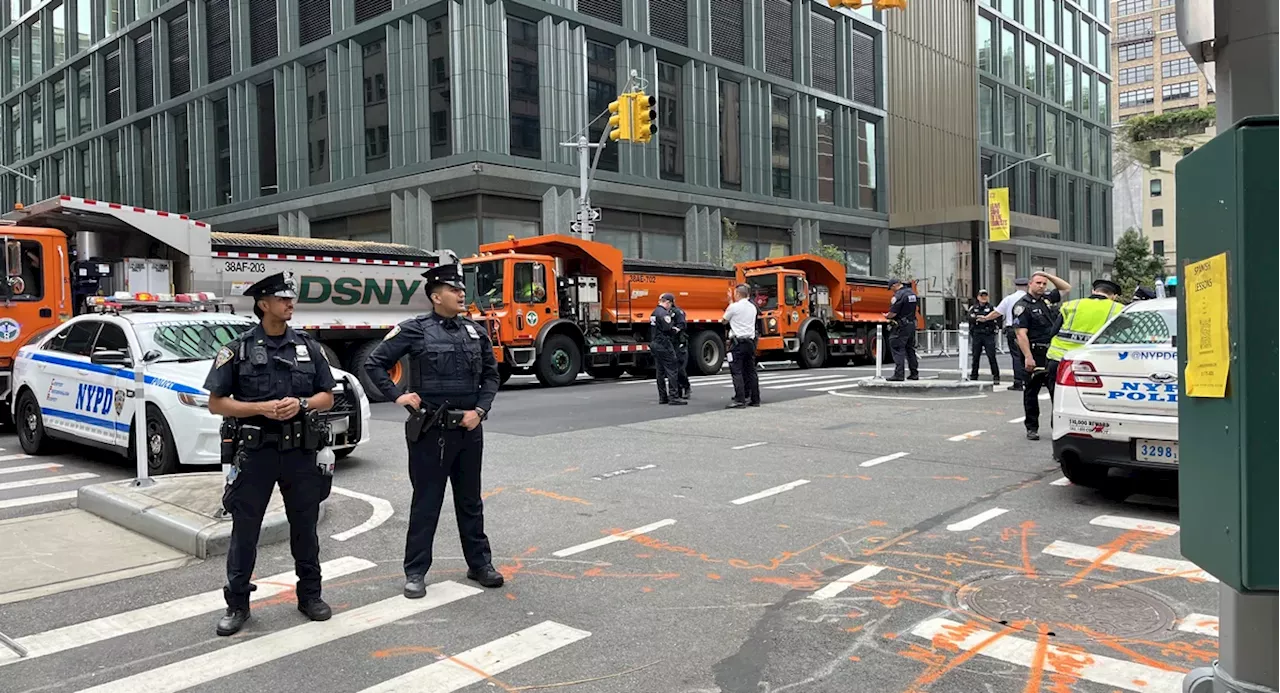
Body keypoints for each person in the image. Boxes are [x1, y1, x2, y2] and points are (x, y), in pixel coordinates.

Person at [363, 254, 505, 599]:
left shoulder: (475, 331)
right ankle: (415, 571)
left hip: (469, 429)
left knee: (470, 500)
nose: (460, 294)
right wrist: (397, 395)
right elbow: (375, 362)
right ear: (435, 295)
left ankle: (479, 564)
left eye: (461, 288)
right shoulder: (414, 329)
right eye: (452, 289)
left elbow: (491, 375)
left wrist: (480, 411)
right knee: (426, 501)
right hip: (431, 432)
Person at [205, 271, 337, 636]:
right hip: (256, 452)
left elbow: (327, 395)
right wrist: (261, 409)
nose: (289, 303)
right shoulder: (238, 349)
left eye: (290, 299)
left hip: (300, 452)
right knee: (245, 531)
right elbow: (216, 403)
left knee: (305, 529)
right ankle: (237, 605)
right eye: (282, 299)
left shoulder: (309, 348)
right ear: (263, 305)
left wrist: (300, 403)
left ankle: (310, 596)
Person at [1012, 271, 1072, 441]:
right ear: (1030, 284)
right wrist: (1028, 357)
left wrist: (1048, 275)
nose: (1041, 286)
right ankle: (1032, 428)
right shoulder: (1022, 305)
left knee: (1056, 391)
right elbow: (1021, 334)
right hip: (1034, 353)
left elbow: (1066, 288)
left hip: (1051, 353)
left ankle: (1057, 428)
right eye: (1038, 282)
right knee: (1031, 392)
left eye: (1044, 284)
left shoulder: (1046, 299)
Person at [1047, 277, 1124, 371]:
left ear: (1093, 291)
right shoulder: (1119, 310)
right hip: (1092, 362)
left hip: (1059, 358)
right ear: (1114, 296)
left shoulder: (1071, 305)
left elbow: (1053, 331)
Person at [722, 283, 760, 408]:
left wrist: (730, 303)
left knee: (737, 371)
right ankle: (755, 399)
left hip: (737, 343)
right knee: (751, 371)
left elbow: (724, 320)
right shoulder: (752, 307)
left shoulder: (733, 307)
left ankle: (740, 399)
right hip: (750, 342)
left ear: (737, 294)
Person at [989, 277, 1029, 390]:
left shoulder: (1009, 298)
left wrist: (985, 318)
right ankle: (1029, 380)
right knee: (1028, 355)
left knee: (1016, 356)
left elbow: (997, 313)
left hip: (1013, 329)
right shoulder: (1030, 298)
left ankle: (1018, 382)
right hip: (1028, 330)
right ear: (1028, 286)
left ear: (1016, 286)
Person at [649, 293, 686, 405]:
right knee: (672, 369)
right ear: (668, 302)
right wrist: (675, 330)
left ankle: (663, 397)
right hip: (664, 344)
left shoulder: (654, 312)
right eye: (671, 304)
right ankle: (674, 397)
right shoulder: (664, 314)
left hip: (655, 343)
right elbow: (668, 329)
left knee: (660, 371)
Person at [883, 278, 919, 381]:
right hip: (911, 324)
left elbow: (893, 312)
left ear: (895, 285)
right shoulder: (912, 293)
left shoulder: (899, 295)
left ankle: (899, 374)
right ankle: (914, 373)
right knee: (910, 349)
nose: (892, 290)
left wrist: (887, 316)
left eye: (891, 288)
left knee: (897, 348)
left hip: (901, 325)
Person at [967, 289, 1000, 384]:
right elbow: (970, 318)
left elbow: (996, 318)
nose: (983, 298)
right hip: (977, 335)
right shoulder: (973, 307)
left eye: (985, 296)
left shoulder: (992, 308)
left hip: (988, 334)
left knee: (992, 356)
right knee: (975, 357)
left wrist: (985, 319)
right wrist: (980, 318)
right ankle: (974, 376)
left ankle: (996, 376)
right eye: (982, 296)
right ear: (978, 297)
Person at [670, 297, 691, 400]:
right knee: (673, 369)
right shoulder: (665, 313)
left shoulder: (678, 312)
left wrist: (676, 329)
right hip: (670, 343)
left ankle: (686, 386)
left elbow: (682, 324)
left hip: (679, 342)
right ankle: (677, 390)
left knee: (680, 368)